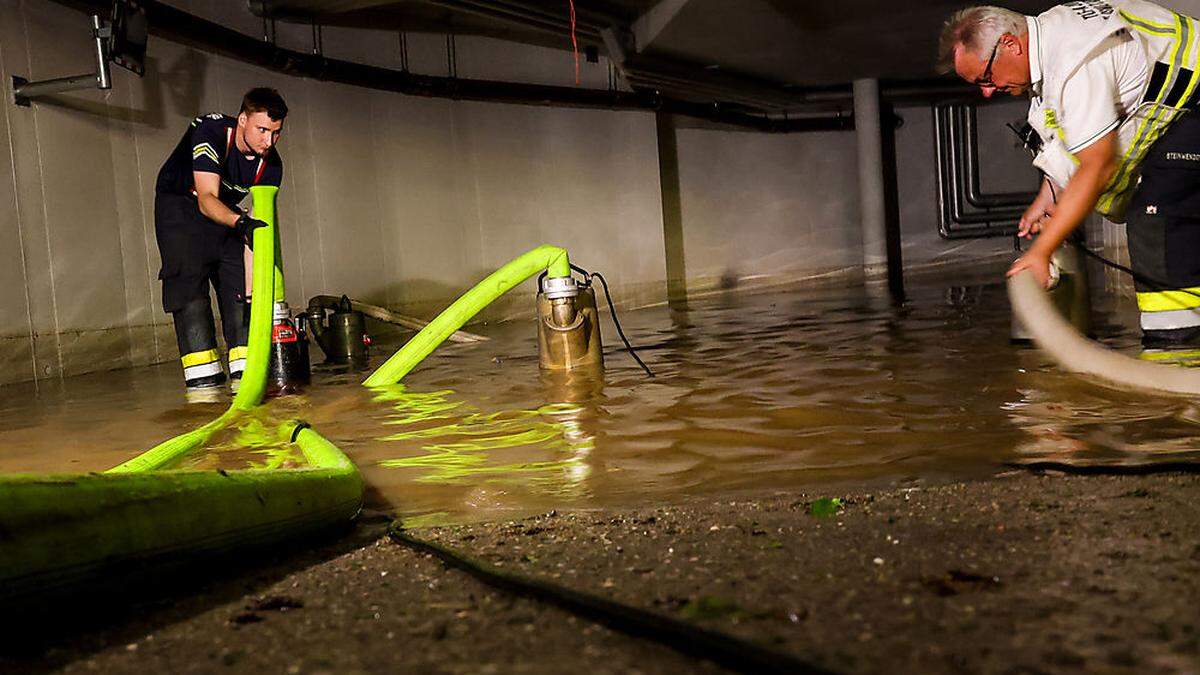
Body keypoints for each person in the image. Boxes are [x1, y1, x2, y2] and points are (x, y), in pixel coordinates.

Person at [938, 1, 1200, 345]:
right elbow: (1069, 139)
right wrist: (1049, 196)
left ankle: (1177, 348)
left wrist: (1041, 251)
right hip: (1182, 114)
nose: (986, 91)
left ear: (1010, 45)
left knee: (1155, 217)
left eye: (985, 77)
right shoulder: (1049, 46)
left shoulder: (1075, 60)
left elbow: (1097, 165)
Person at [154, 87, 285, 392]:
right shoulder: (210, 131)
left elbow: (257, 226)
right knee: (189, 285)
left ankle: (246, 382)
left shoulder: (271, 166)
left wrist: (254, 293)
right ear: (242, 120)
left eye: (276, 133)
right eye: (262, 130)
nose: (269, 141)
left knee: (238, 292)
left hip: (229, 213)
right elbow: (206, 199)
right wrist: (240, 223)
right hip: (183, 205)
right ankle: (204, 388)